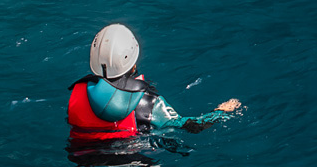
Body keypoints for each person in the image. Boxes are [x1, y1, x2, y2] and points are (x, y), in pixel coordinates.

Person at [67, 23, 241, 148]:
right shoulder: (149, 103)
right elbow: (190, 126)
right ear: (133, 64)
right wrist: (220, 113)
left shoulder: (78, 91)